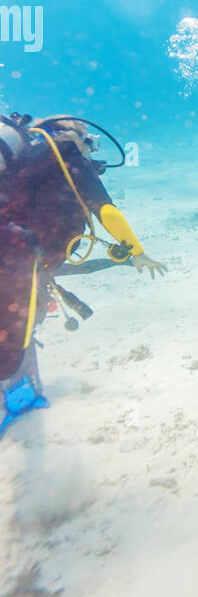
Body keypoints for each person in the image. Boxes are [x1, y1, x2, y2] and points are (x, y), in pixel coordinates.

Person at [0, 113, 166, 432]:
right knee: (13, 333)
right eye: (85, 136)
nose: (89, 144)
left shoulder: (28, 164)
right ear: (68, 134)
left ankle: (19, 394)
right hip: (20, 261)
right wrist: (138, 252)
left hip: (21, 259)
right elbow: (105, 209)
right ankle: (18, 400)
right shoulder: (65, 154)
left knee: (16, 325)